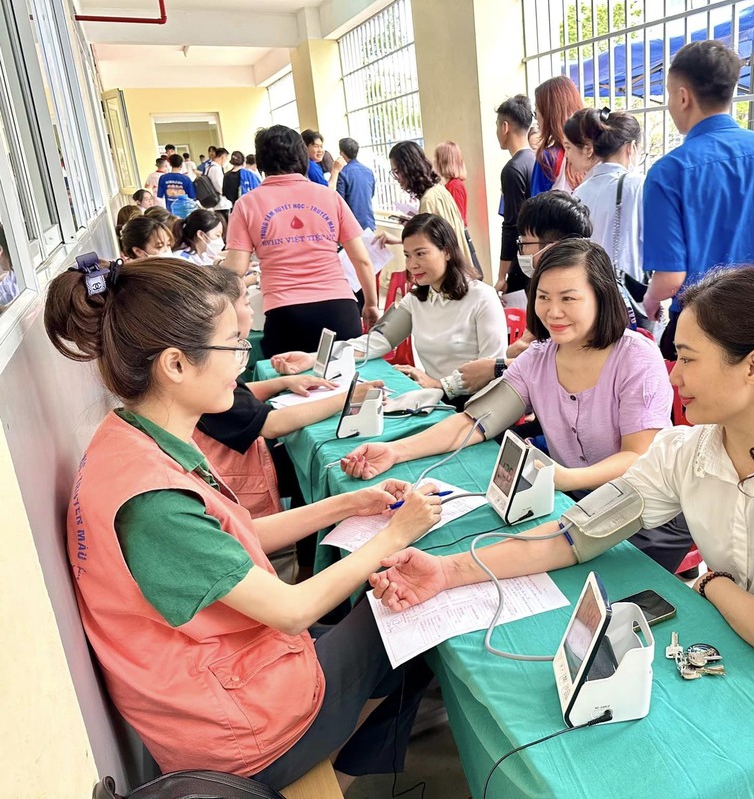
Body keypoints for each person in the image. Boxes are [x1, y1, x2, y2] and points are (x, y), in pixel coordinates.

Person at [370, 266, 754, 760]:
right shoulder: (687, 451)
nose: (675, 376)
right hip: (735, 646)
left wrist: (711, 585)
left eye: (689, 359)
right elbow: (576, 533)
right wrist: (448, 571)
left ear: (753, 367)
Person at [44, 257, 438, 790]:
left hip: (224, 684)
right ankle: (341, 777)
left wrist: (347, 506)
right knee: (426, 621)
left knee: (387, 619)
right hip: (238, 735)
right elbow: (292, 609)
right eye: (232, 342)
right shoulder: (151, 502)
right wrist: (396, 533)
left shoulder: (130, 438)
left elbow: (232, 537)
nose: (244, 356)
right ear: (176, 365)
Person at [340, 238, 673, 507]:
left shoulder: (636, 358)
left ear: (601, 299)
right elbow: (473, 424)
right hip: (575, 503)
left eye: (569, 298)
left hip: (644, 509)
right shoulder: (538, 360)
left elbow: (637, 456)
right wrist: (396, 451)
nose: (552, 312)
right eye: (543, 297)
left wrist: (566, 478)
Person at [195, 267, 386, 582]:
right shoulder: (209, 373)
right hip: (244, 496)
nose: (251, 308)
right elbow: (270, 424)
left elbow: (236, 394)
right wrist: (349, 396)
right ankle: (306, 571)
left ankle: (308, 567)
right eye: (245, 301)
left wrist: (283, 383)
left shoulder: (212, 370)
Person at [641, 40, 754, 358]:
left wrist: (649, 303)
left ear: (682, 96)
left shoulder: (669, 172)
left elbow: (670, 279)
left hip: (704, 331)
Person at [272, 214, 505, 404]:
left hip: (477, 402)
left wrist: (442, 385)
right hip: (435, 399)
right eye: (407, 255)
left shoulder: (482, 297)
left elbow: (492, 368)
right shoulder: (416, 300)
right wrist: (313, 358)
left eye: (421, 254)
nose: (412, 264)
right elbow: (375, 342)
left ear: (447, 251)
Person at [223, 125, 379, 358]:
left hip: (286, 314)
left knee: (290, 389)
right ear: (301, 156)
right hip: (340, 309)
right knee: (347, 388)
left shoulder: (247, 204)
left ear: (262, 162)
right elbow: (362, 261)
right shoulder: (329, 197)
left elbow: (235, 269)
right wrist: (371, 304)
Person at [459, 190, 592, 392]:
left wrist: (499, 366)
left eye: (524, 244)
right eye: (544, 298)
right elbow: (533, 348)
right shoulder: (542, 288)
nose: (520, 253)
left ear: (553, 247)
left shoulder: (592, 296)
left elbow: (575, 364)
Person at [570, 108, 648, 328]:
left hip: (590, 289)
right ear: (630, 147)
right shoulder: (636, 185)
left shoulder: (580, 191)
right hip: (627, 292)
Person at [374, 141, 474, 267]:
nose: (397, 178)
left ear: (409, 168)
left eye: (397, 171)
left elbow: (431, 247)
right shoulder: (438, 189)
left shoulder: (429, 199)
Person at [493, 94, 537, 300]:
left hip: (523, 260)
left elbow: (512, 225)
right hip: (540, 253)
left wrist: (502, 275)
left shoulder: (512, 169)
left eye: (496, 126)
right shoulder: (536, 160)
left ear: (505, 127)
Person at [530, 76, 586, 196]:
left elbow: (536, 210)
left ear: (549, 113)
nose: (536, 117)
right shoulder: (596, 153)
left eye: (537, 110)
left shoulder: (549, 158)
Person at [336, 137, 376, 231]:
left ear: (341, 153)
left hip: (352, 224)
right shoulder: (368, 171)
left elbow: (340, 201)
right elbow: (371, 194)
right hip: (369, 222)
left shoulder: (342, 173)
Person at [434, 141, 468, 225]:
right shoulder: (450, 185)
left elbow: (457, 219)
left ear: (443, 162)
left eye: (436, 157)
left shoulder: (454, 186)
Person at [207, 146, 233, 220]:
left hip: (216, 203)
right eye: (227, 158)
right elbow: (220, 187)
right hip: (221, 204)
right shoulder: (216, 169)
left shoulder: (209, 167)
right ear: (223, 157)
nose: (227, 161)